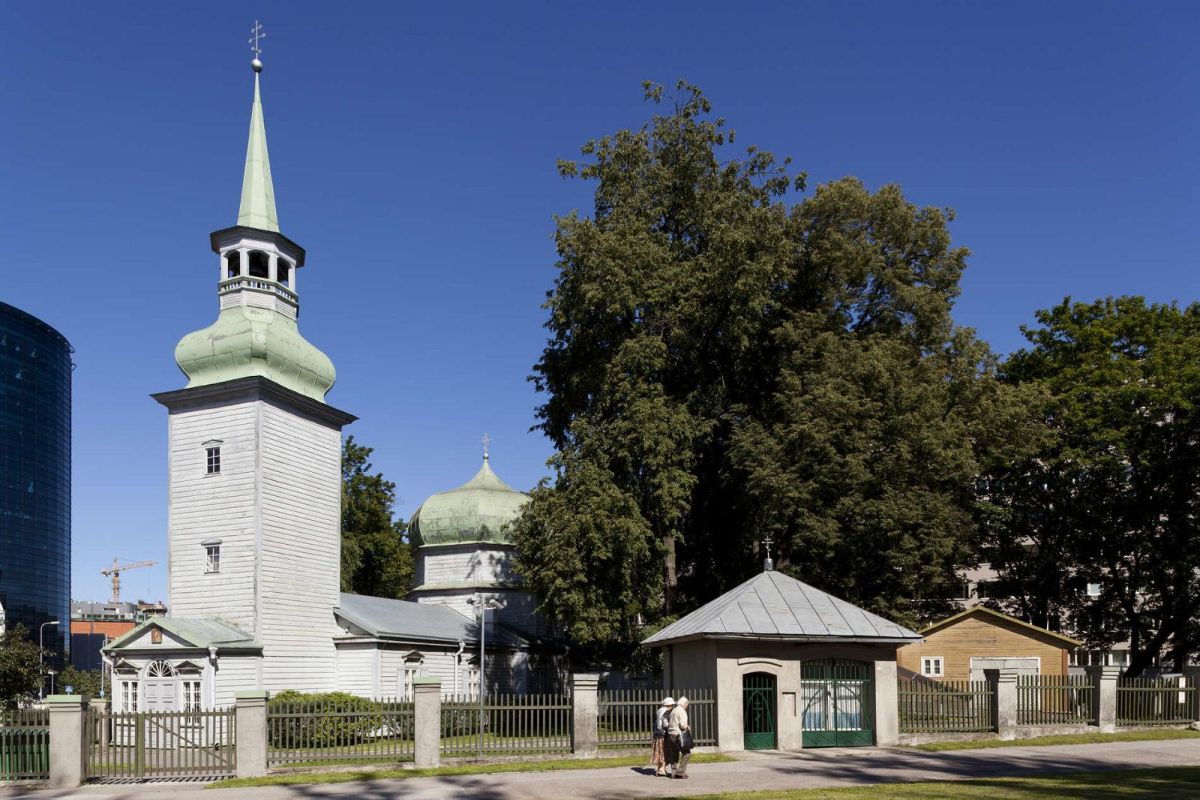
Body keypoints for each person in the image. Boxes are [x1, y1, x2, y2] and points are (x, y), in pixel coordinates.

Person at [667, 696, 691, 779]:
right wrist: (687, 727)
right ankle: (680, 772)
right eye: (687, 704)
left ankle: (673, 773)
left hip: (670, 733)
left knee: (674, 753)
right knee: (686, 752)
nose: (687, 706)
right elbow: (682, 725)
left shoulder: (674, 710)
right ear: (684, 704)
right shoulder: (682, 711)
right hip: (678, 734)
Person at [651, 696, 674, 776]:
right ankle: (661, 770)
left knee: (660, 751)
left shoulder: (659, 710)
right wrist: (672, 725)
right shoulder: (665, 712)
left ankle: (661, 769)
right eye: (671, 705)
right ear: (668, 705)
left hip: (657, 734)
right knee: (663, 751)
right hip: (663, 734)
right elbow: (665, 724)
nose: (672, 707)